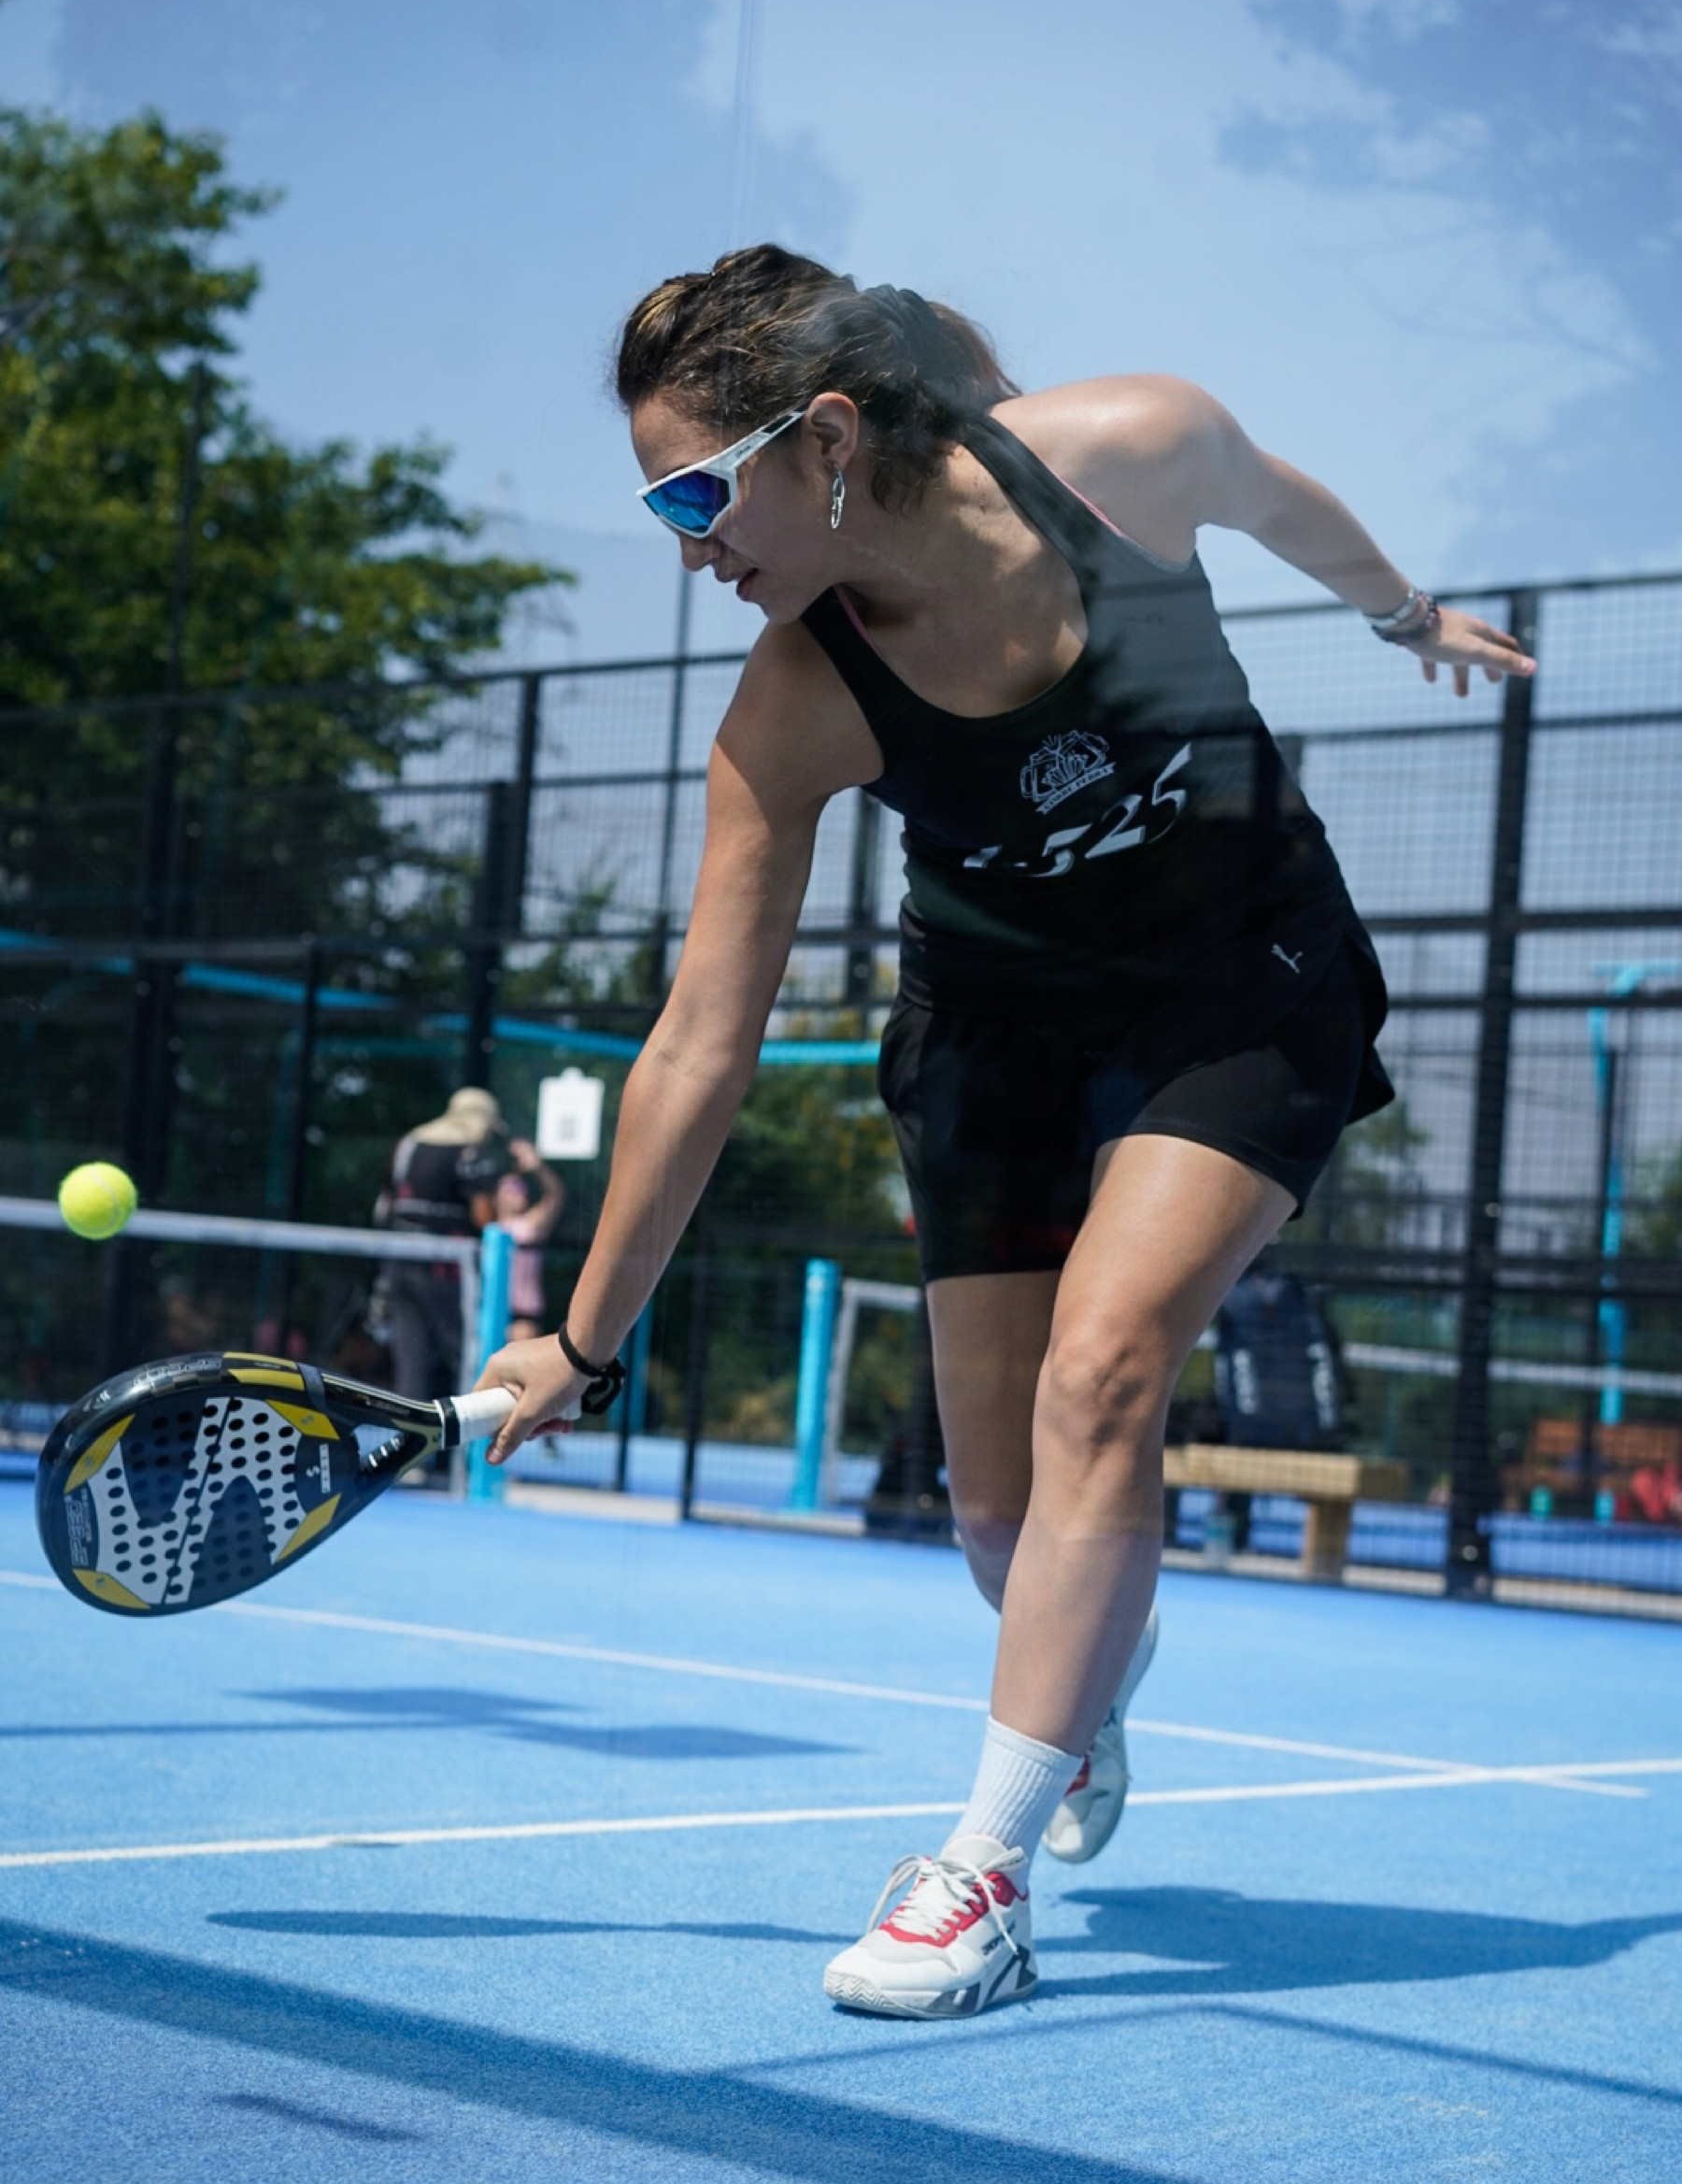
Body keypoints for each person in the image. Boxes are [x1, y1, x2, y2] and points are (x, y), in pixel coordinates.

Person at [474, 247, 1534, 2020]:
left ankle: (980, 1875)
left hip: (1238, 981)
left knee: (1104, 1372)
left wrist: (1405, 613)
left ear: (824, 439)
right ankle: (1086, 1671)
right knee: (992, 1517)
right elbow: (699, 1045)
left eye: (691, 492)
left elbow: (1288, 505)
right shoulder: (795, 702)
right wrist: (584, 1339)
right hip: (995, 1033)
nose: (685, 545)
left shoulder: (1126, 454)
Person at [375, 1085, 507, 1405]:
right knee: (461, 1353)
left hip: (399, 1259)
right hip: (446, 1269)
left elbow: (387, 1201)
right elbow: (483, 1217)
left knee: (411, 1359)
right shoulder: (469, 1153)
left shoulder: (409, 1145)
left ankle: (410, 1430)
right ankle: (467, 1429)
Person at [492, 1139, 565, 1339]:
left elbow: (556, 1196)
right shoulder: (491, 1229)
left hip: (522, 1313)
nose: (521, 1191)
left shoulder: (530, 1225)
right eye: (514, 1187)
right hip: (491, 1309)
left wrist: (538, 1167)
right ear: (496, 1196)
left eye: (523, 1187)